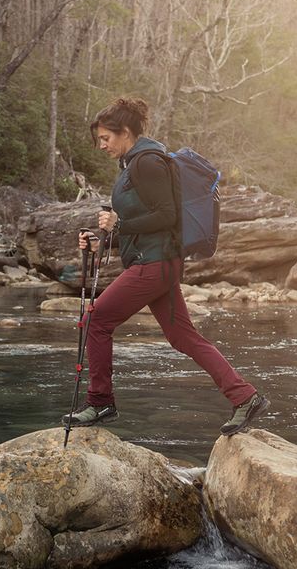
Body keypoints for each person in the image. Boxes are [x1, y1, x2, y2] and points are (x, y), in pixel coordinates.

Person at [62, 96, 269, 436]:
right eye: (99, 139)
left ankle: (100, 401)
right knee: (183, 336)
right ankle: (245, 397)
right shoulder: (136, 162)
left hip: (154, 265)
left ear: (125, 132)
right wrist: (104, 240)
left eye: (105, 138)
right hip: (159, 262)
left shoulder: (147, 164)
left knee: (96, 320)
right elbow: (143, 223)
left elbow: (166, 216)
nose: (101, 145)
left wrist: (118, 225)